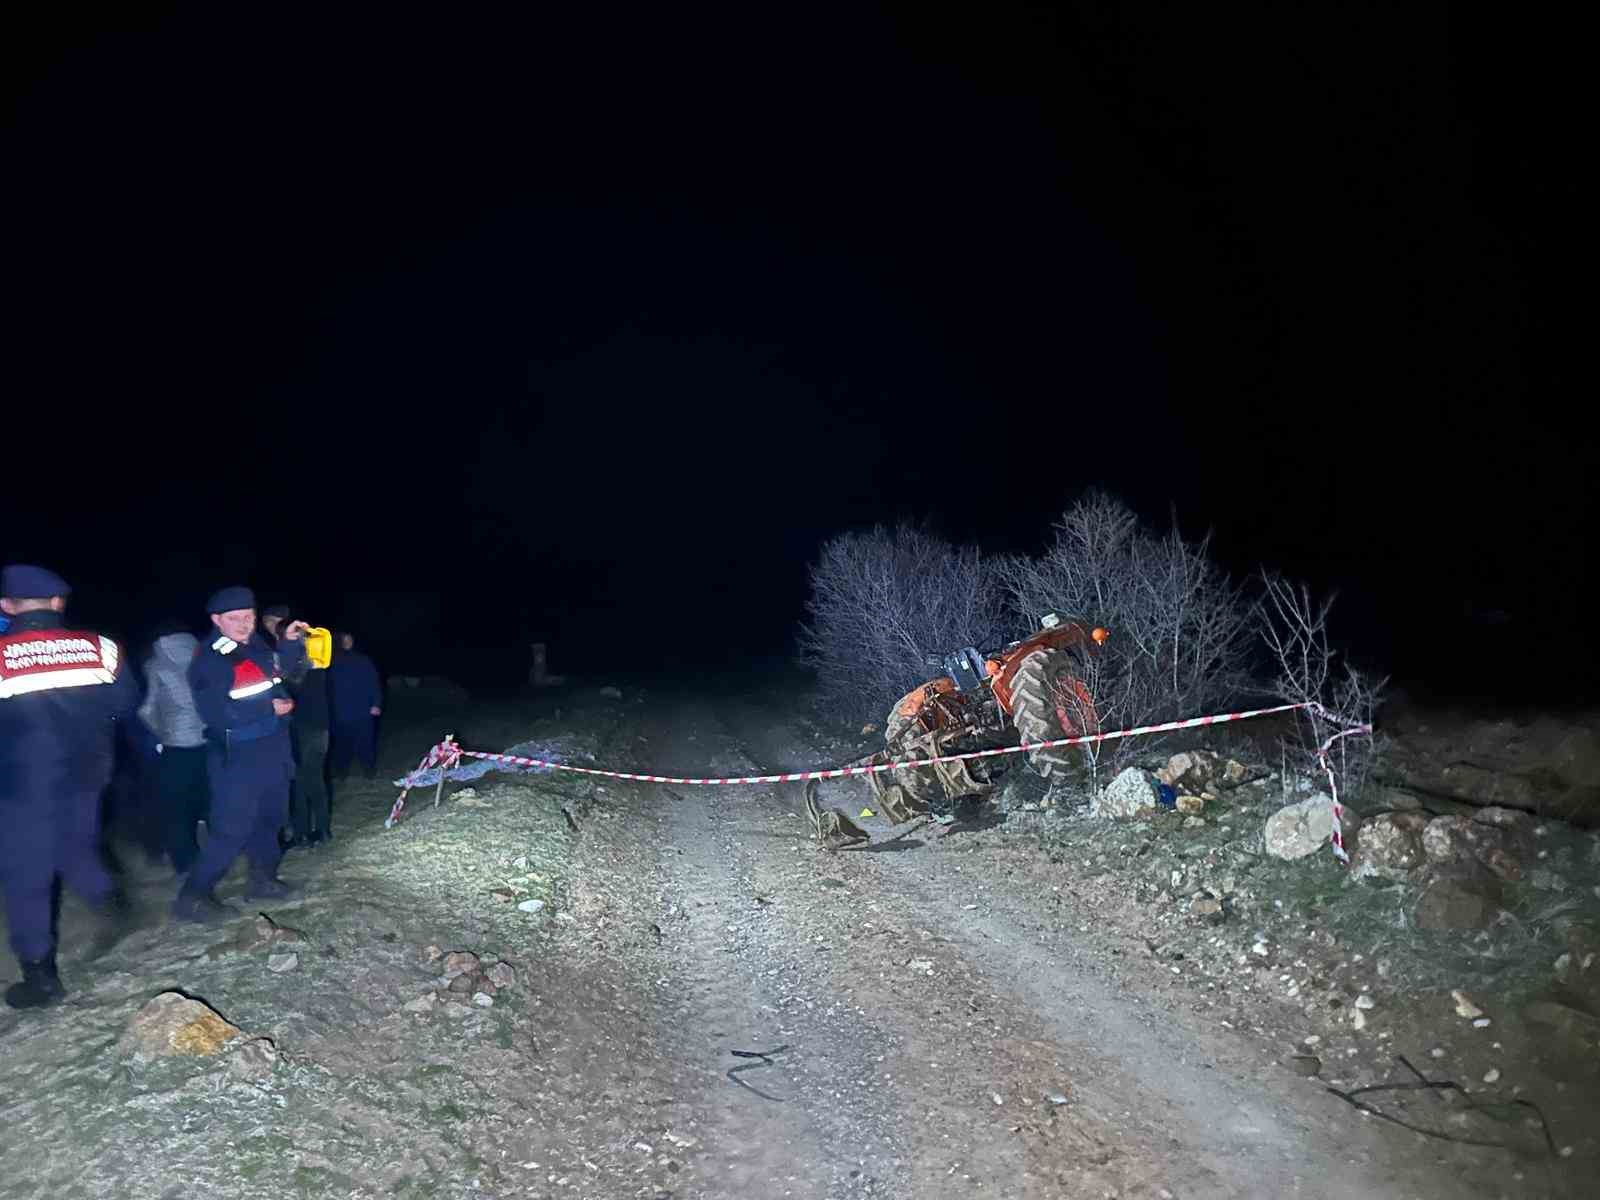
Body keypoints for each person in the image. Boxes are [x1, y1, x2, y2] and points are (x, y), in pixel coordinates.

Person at [0, 564, 141, 1008]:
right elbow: (127, 705)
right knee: (76, 845)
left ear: (7, 606)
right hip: (89, 773)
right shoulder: (101, 648)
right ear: (60, 603)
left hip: (21, 782)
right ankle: (114, 904)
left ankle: (41, 977)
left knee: (27, 876)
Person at [172, 586, 307, 923]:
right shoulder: (211, 658)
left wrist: (289, 644)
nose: (244, 623)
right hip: (238, 754)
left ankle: (263, 881)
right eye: (235, 618)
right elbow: (214, 713)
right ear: (216, 620)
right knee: (232, 829)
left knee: (271, 818)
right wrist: (268, 708)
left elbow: (277, 672)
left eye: (248, 616)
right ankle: (193, 897)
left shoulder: (255, 643)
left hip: (272, 748)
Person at [137, 622, 211, 876]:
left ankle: (186, 865)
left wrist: (163, 732)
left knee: (177, 811)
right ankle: (217, 854)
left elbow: (147, 710)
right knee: (210, 799)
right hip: (209, 741)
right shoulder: (202, 656)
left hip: (177, 746)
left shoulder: (156, 665)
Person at [281, 612, 333, 847]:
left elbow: (292, 688)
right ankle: (318, 831)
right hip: (319, 727)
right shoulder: (319, 660)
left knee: (304, 780)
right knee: (312, 779)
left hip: (305, 728)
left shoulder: (301, 663)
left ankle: (310, 832)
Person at [328, 631, 382, 780]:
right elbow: (326, 688)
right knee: (341, 744)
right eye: (344, 640)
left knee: (365, 743)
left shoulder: (363, 660)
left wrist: (376, 703)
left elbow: (373, 682)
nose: (347, 642)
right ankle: (341, 773)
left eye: (349, 640)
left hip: (362, 710)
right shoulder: (330, 663)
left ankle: (369, 770)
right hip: (340, 712)